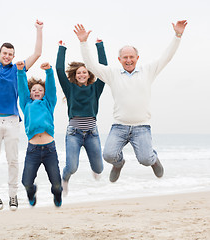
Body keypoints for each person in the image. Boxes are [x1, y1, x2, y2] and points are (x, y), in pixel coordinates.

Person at [74, 20, 188, 182]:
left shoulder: (147, 71)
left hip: (141, 126)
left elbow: (166, 57)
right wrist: (84, 42)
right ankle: (119, 164)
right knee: (108, 155)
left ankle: (154, 160)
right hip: (119, 126)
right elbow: (92, 65)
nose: (128, 60)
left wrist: (177, 35)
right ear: (119, 59)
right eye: (125, 57)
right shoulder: (112, 74)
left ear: (137, 58)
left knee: (145, 159)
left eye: (131, 57)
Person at [0, 9, 43, 211]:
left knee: (13, 160)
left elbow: (37, 53)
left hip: (12, 121)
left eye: (10, 54)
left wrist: (39, 30)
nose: (7, 56)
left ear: (13, 56)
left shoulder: (18, 69)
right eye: (4, 53)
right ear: (0, 54)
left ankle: (13, 195)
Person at [55, 39, 107, 196]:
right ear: (75, 75)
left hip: (92, 133)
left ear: (89, 73)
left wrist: (100, 46)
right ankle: (64, 179)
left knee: (99, 169)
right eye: (79, 72)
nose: (82, 74)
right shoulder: (69, 89)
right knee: (72, 167)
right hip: (74, 133)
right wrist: (62, 48)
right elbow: (58, 69)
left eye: (84, 72)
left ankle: (95, 168)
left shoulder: (95, 88)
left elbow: (103, 68)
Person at [16, 61, 62, 207]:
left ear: (44, 93)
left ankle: (57, 195)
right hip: (33, 150)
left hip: (50, 149)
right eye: (34, 90)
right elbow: (22, 89)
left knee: (56, 184)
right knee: (26, 182)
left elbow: (52, 89)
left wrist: (49, 71)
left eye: (40, 90)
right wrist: (20, 71)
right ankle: (32, 192)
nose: (37, 91)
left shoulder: (49, 103)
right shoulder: (26, 104)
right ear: (30, 93)